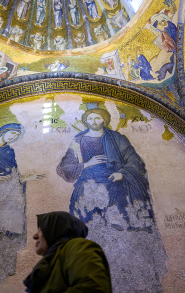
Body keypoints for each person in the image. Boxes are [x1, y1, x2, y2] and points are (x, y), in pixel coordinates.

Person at [57, 108, 168, 292]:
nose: (93, 120)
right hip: (89, 190)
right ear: (85, 121)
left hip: (117, 187)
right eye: (90, 118)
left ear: (105, 120)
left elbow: (135, 161)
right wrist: (86, 164)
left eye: (98, 117)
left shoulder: (117, 138)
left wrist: (122, 173)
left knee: (122, 231)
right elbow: (65, 168)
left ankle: (125, 276)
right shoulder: (78, 140)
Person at [24, 211, 112, 293]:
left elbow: (93, 288)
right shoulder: (54, 259)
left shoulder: (78, 246)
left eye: (41, 229)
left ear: (57, 229)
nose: (35, 236)